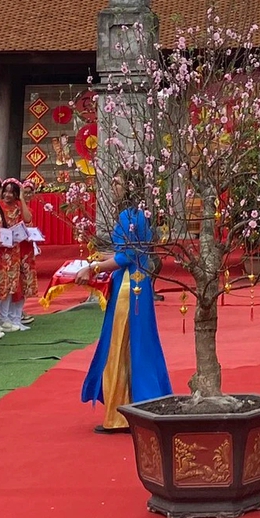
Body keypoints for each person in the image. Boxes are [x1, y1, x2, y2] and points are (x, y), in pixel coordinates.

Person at [80, 173, 171, 432]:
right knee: (139, 344)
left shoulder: (128, 216)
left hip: (129, 289)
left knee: (120, 345)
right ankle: (143, 403)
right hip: (138, 286)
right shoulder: (140, 214)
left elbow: (126, 257)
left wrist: (94, 267)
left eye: (117, 183)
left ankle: (123, 412)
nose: (113, 186)